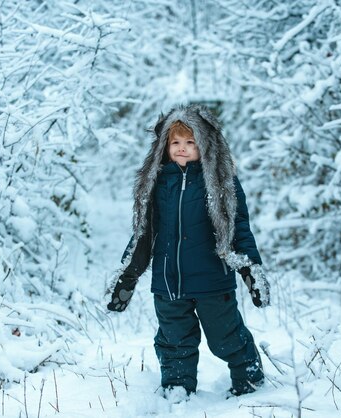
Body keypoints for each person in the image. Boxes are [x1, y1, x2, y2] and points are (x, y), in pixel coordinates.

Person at [107, 104, 270, 397]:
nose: (182, 148)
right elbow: (144, 235)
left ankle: (250, 384)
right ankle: (177, 392)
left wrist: (250, 270)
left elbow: (238, 229)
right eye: (176, 142)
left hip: (212, 282)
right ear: (164, 146)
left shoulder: (221, 182)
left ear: (204, 145)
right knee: (174, 341)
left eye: (190, 142)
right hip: (168, 284)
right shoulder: (156, 184)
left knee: (226, 337)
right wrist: (127, 277)